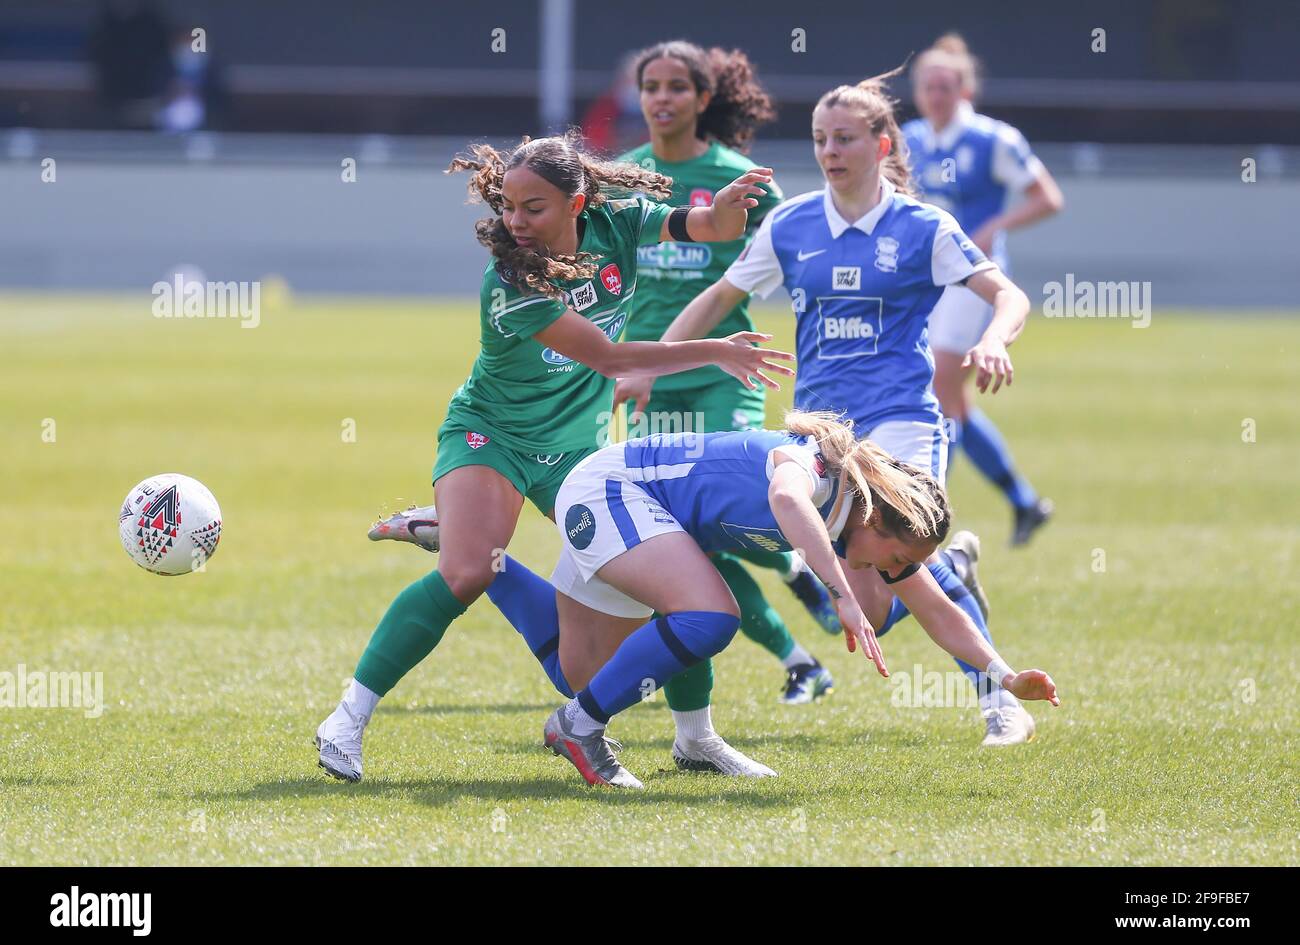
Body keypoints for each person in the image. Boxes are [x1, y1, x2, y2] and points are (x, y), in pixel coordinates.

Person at [315, 131, 793, 782]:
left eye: (532, 207)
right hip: (493, 435)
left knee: (641, 605)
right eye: (507, 206)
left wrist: (727, 214)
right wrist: (716, 349)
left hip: (581, 448)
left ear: (578, 202)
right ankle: (348, 717)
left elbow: (701, 223)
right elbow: (611, 358)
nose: (515, 222)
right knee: (466, 574)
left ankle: (696, 740)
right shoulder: (508, 281)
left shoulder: (617, 219)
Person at [627, 67, 1040, 745]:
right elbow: (719, 299)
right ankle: (953, 565)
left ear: (882, 145)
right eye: (820, 138)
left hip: (902, 418)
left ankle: (999, 698)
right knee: (872, 610)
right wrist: (651, 364)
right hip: (822, 432)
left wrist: (994, 338)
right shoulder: (790, 225)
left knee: (903, 564)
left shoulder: (921, 226)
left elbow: (1008, 295)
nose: (829, 151)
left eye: (845, 138)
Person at [485, 412, 1059, 788]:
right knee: (709, 614)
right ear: (876, 515)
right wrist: (842, 594)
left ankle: (488, 563)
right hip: (610, 492)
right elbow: (787, 498)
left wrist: (1003, 678)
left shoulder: (857, 521)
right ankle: (579, 727)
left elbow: (939, 610)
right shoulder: (817, 470)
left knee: (579, 669)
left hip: (637, 509)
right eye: (896, 556)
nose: (893, 571)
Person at [616, 40, 842, 741]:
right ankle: (800, 659)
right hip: (644, 380)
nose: (661, 99)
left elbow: (791, 259)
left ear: (703, 99)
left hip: (721, 375)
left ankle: (796, 563)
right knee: (683, 543)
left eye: (676, 87)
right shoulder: (624, 177)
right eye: (650, 86)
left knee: (743, 512)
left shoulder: (743, 179)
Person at [904, 34, 1064, 546]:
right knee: (949, 398)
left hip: (974, 280)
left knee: (938, 388)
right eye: (928, 86)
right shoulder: (909, 138)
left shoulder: (994, 140)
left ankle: (927, 511)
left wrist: (998, 224)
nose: (936, 95)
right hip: (926, 282)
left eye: (945, 86)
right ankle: (1023, 501)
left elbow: (1048, 197)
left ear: (965, 88)